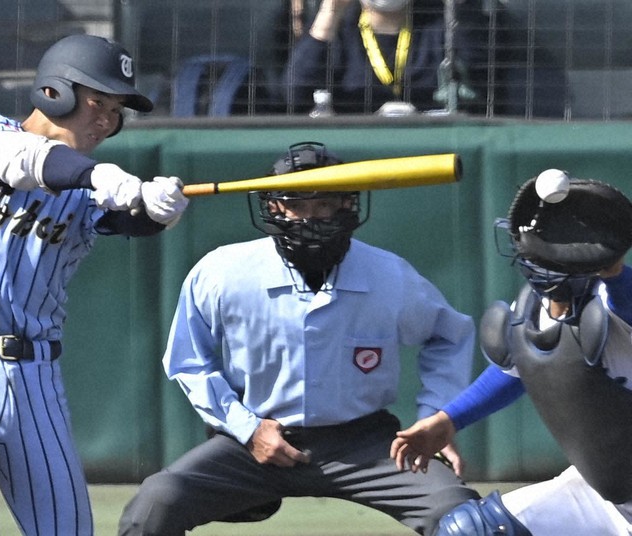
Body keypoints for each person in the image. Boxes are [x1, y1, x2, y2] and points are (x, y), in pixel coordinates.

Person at [117, 141, 480, 535]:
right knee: (156, 503)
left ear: (347, 206)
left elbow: (449, 335)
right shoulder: (222, 271)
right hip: (254, 440)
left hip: (366, 442)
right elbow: (188, 361)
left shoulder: (388, 275)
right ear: (274, 207)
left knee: (465, 519)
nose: (313, 218)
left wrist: (436, 417)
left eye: (325, 204)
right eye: (298, 204)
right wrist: (246, 428)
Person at [0, 34, 189, 535]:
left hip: (35, 379)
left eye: (116, 110)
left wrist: (156, 209)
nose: (106, 121)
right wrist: (102, 176)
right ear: (54, 92)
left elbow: (127, 221)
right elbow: (28, 161)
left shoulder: (86, 191)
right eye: (98, 102)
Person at [390, 172, 632, 535]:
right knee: (470, 530)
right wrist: (448, 420)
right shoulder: (534, 310)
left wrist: (612, 271)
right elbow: (523, 368)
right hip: (605, 494)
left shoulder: (613, 301)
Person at [282, 0, 486, 115]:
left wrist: (459, 9)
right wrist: (330, 12)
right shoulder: (338, 29)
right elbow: (294, 96)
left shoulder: (439, 22)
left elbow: (479, 81)